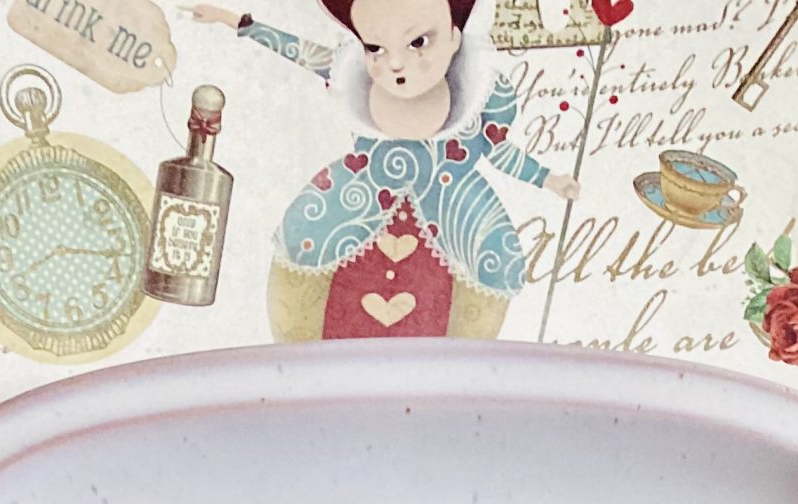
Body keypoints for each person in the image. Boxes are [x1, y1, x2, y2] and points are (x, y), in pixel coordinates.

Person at [191, 0, 577, 340]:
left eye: (418, 42)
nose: (395, 62)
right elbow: (299, 51)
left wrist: (549, 179)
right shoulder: (350, 75)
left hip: (456, 210)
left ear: (455, 36)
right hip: (356, 198)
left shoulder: (481, 96)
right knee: (304, 241)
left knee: (489, 263)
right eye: (375, 47)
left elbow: (500, 152)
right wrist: (235, 20)